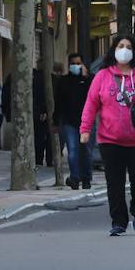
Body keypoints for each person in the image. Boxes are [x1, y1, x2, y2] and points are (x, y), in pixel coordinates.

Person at [79, 35, 135, 236]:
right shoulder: (102, 76)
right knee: (115, 183)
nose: (124, 50)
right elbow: (91, 104)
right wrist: (84, 130)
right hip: (110, 140)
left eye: (128, 47)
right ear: (113, 50)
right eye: (121, 46)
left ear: (134, 51)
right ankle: (118, 221)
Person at [54, 53, 93, 189]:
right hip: (69, 121)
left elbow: (94, 95)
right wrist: (55, 121)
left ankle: (86, 179)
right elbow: (58, 101)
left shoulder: (89, 80)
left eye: (78, 63)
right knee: (73, 151)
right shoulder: (64, 81)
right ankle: (75, 178)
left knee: (86, 152)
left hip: (86, 122)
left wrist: (86, 77)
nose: (76, 66)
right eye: (73, 64)